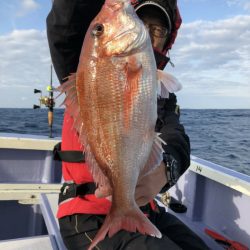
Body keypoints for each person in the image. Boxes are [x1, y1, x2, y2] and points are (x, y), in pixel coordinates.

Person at [47, 0, 209, 249]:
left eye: (158, 30)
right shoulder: (86, 65)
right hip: (87, 214)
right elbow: (65, 23)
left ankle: (127, 207)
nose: (148, 31)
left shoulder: (161, 91)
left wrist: (167, 168)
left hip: (146, 210)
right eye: (142, 20)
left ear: (167, 42)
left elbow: (177, 138)